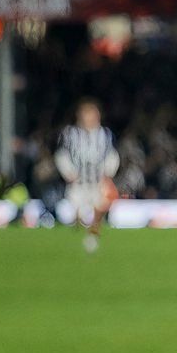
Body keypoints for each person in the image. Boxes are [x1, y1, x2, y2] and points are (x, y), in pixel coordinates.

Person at [55, 98, 119, 254]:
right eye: (86, 114)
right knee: (74, 215)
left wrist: (108, 173)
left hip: (98, 184)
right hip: (77, 185)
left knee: (99, 209)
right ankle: (73, 242)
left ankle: (94, 235)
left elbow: (112, 155)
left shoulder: (105, 134)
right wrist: (68, 172)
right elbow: (61, 155)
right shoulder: (70, 134)